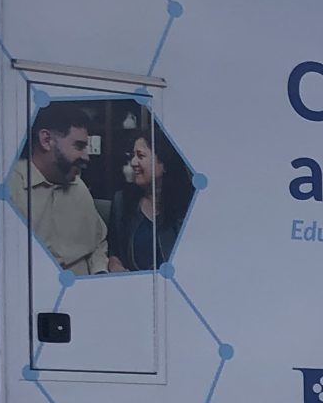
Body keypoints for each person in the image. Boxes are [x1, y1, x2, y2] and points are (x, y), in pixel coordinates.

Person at [12, 99, 117, 275]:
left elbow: (98, 243)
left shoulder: (79, 187)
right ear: (46, 140)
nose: (86, 157)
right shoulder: (10, 191)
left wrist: (100, 273)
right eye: (79, 146)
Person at [107, 127, 195, 272]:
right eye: (132, 156)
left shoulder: (189, 204)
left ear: (163, 163)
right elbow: (114, 251)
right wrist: (114, 265)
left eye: (140, 156)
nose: (133, 162)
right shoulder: (122, 201)